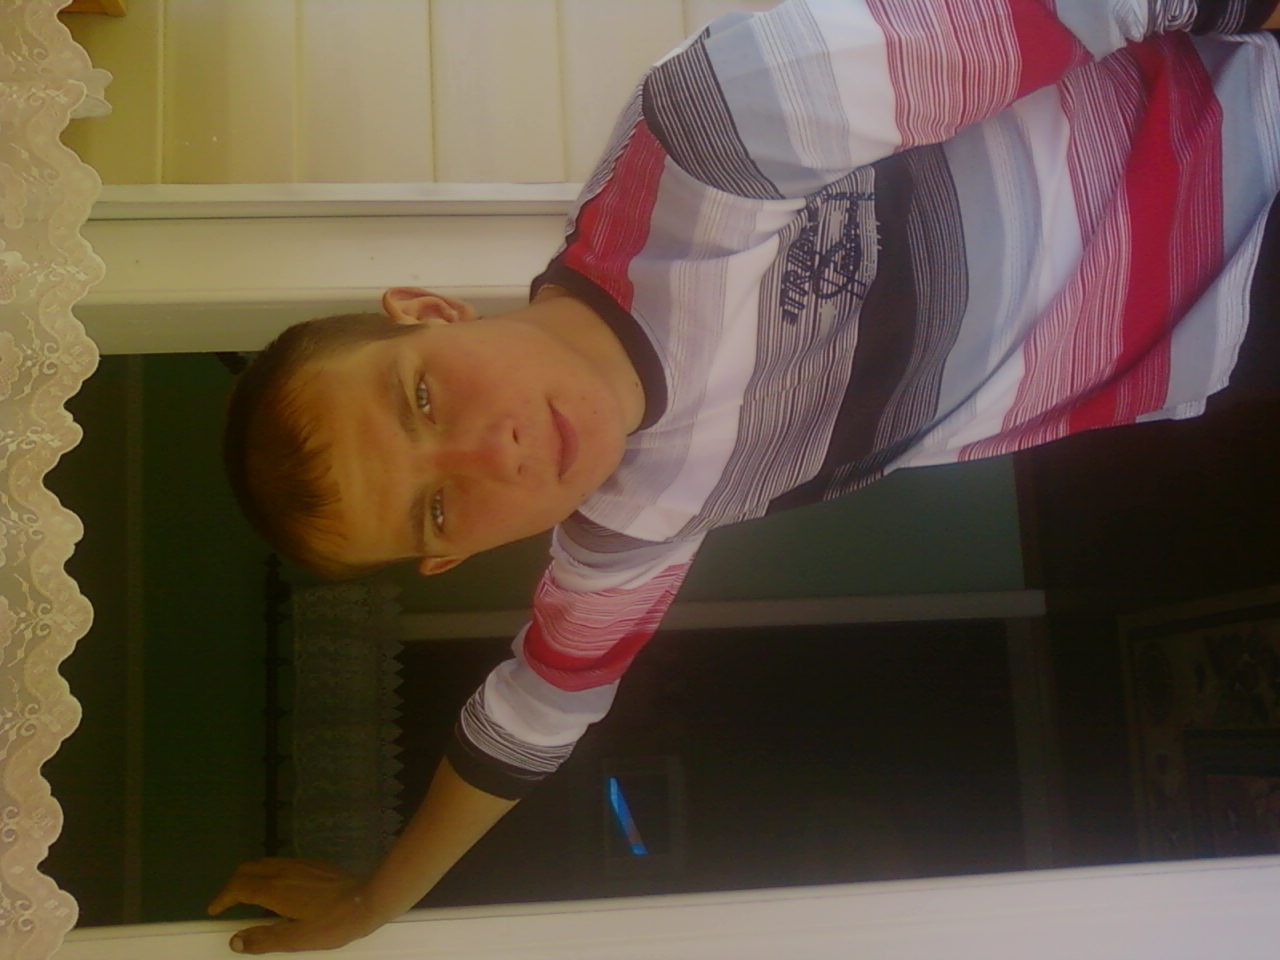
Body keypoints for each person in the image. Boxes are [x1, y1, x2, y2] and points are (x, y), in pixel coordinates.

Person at [212, 1, 1280, 953]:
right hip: (1213, 342)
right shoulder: (627, 522)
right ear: (450, 556)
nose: (496, 453)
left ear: (430, 311)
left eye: (423, 398)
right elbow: (537, 708)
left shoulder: (710, 136)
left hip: (1249, 136)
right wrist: (378, 900)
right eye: (435, 507)